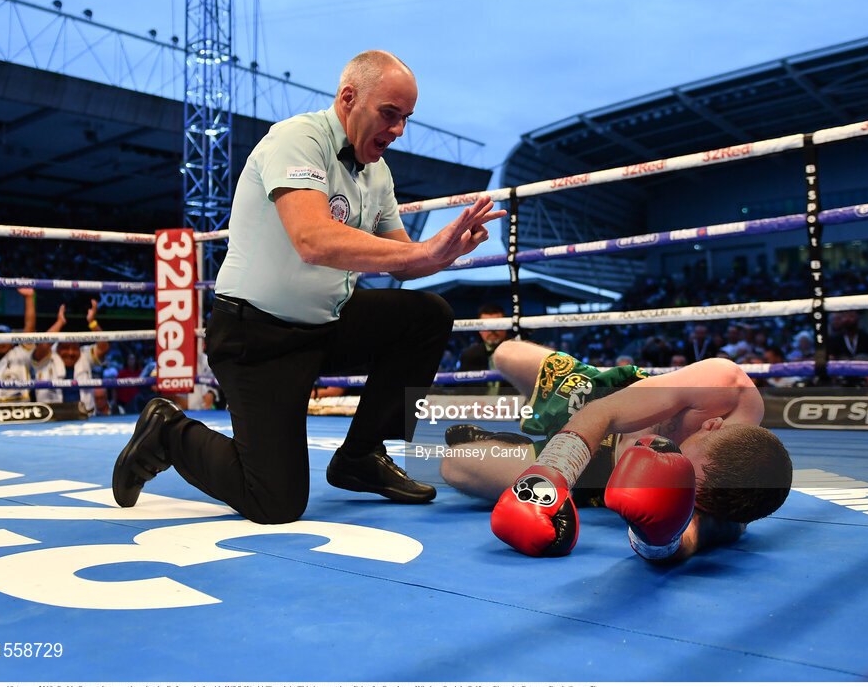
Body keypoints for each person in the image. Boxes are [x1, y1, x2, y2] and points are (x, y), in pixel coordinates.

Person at [112, 50, 505, 524]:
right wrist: (423, 253)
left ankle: (361, 456)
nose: (398, 130)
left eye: (406, 118)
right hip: (257, 336)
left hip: (326, 324)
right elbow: (312, 240)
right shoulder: (297, 139)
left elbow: (402, 261)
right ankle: (168, 432)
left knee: (427, 315)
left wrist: (446, 252)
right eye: (389, 114)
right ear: (348, 98)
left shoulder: (377, 171)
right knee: (275, 502)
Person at [440, 340, 792, 563]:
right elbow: (602, 414)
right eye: (685, 463)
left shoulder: (728, 504)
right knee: (506, 353)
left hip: (599, 470)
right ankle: (526, 436)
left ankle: (516, 446)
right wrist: (549, 476)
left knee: (454, 466)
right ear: (712, 426)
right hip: (607, 400)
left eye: (687, 487)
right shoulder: (723, 383)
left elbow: (681, 541)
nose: (673, 468)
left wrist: (658, 539)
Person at [32, 300, 112, 416]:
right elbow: (43, 345)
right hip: (51, 418)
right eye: (66, 347)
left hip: (85, 416)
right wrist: (59, 323)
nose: (71, 353)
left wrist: (92, 322)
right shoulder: (46, 357)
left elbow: (103, 347)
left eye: (74, 348)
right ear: (57, 347)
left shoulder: (84, 355)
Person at [458, 302, 515, 394]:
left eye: (496, 325)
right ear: (480, 329)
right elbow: (462, 392)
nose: (492, 330)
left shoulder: (518, 353)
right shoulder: (468, 356)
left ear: (506, 326)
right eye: (487, 325)